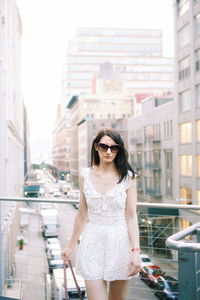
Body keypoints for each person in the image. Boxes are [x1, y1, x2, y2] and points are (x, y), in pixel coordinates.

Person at [62, 128, 142, 300]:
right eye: (104, 146)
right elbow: (82, 215)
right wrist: (70, 246)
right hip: (93, 241)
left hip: (120, 242)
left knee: (117, 298)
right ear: (96, 147)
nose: (108, 151)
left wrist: (136, 251)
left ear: (119, 150)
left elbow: (131, 216)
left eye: (114, 148)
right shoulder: (85, 175)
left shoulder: (128, 177)